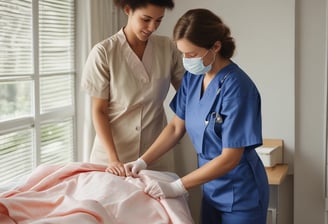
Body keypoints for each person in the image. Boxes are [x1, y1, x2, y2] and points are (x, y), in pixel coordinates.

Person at [124, 8, 269, 224]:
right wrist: (142, 161)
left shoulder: (238, 88)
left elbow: (230, 157)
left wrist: (176, 186)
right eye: (182, 53)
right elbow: (175, 127)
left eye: (191, 54)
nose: (186, 60)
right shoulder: (193, 78)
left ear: (216, 47)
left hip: (241, 193)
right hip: (210, 187)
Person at [81, 0, 184, 177]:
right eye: (146, 19)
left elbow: (189, 94)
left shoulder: (168, 48)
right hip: (112, 157)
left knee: (160, 203)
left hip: (154, 156)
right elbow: (99, 111)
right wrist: (113, 159)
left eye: (158, 20)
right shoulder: (104, 52)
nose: (152, 27)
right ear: (128, 10)